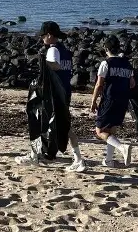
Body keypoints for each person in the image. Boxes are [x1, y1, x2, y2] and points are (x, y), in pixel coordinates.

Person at [15, 21, 86, 171]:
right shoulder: (64, 51)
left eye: (42, 36)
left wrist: (43, 78)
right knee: (64, 125)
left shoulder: (52, 50)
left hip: (51, 95)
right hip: (64, 92)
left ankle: (38, 155)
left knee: (39, 121)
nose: (41, 39)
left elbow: (53, 67)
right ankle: (76, 157)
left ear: (49, 35)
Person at [90, 35, 135, 167]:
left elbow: (99, 85)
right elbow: (132, 84)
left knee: (100, 131)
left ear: (106, 48)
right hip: (123, 100)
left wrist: (93, 101)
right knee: (112, 130)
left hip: (109, 99)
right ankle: (109, 160)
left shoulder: (106, 63)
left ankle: (122, 148)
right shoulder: (127, 64)